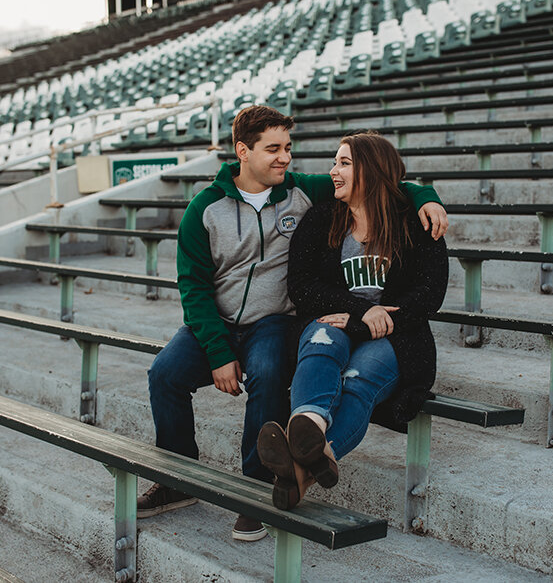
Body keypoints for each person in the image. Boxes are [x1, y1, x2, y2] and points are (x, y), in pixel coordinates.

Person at [139, 106, 449, 541]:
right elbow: (193, 287)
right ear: (242, 151)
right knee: (164, 374)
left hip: (272, 322)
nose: (285, 158)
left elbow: (383, 180)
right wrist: (219, 352)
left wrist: (426, 196)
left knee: (268, 373)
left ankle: (255, 489)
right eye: (273, 149)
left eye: (288, 147)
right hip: (216, 323)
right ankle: (175, 479)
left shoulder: (302, 192)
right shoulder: (204, 210)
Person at [257, 131, 448, 510]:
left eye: (344, 163)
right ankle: (310, 425)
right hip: (337, 320)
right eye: (334, 162)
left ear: (372, 170)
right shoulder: (323, 217)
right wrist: (360, 311)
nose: (333, 172)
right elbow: (301, 284)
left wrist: (366, 322)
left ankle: (302, 467)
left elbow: (430, 293)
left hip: (396, 336)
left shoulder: (415, 222)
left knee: (358, 381)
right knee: (322, 344)